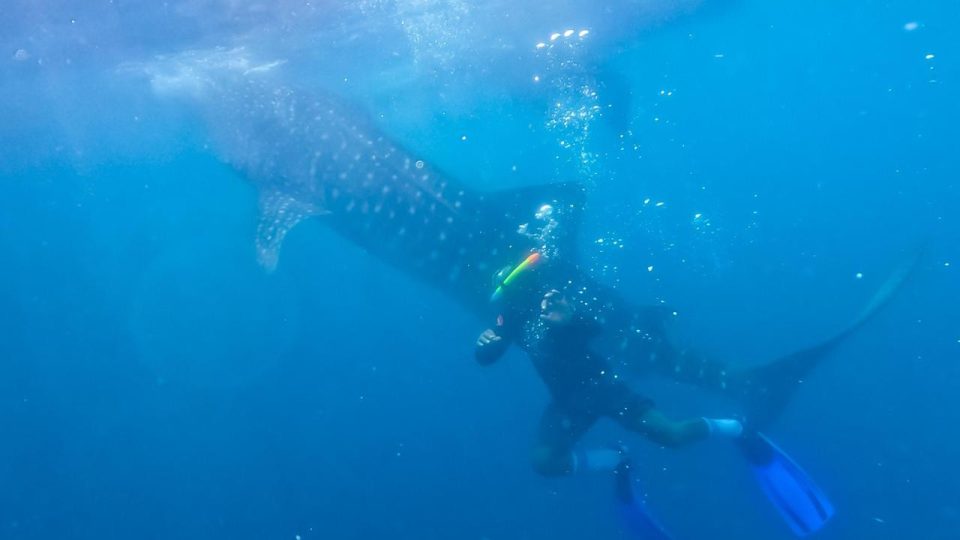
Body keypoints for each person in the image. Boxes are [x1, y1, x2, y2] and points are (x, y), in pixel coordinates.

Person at [476, 281, 744, 477]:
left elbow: (593, 328)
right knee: (543, 462)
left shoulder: (558, 303)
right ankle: (615, 458)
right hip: (566, 403)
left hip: (604, 389)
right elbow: (489, 354)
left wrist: (567, 319)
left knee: (673, 435)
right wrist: (483, 347)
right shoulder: (512, 318)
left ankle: (740, 428)